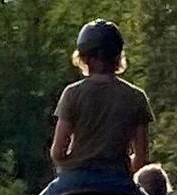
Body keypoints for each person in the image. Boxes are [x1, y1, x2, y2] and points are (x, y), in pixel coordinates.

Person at [39, 19, 154, 195]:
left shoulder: (72, 93)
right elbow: (141, 158)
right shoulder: (136, 97)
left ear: (83, 58)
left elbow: (57, 152)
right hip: (119, 181)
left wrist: (71, 167)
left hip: (74, 180)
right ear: (118, 56)